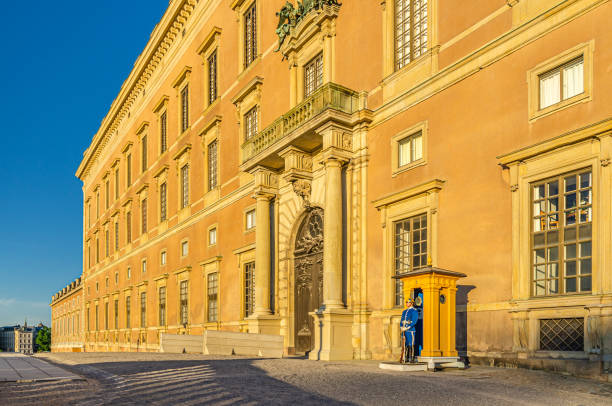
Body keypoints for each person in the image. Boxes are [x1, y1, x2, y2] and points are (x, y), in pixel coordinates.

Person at [400, 297, 419, 363]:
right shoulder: (404, 311)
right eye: (406, 302)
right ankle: (406, 357)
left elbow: (414, 321)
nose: (407, 303)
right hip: (404, 330)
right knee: (405, 344)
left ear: (411, 303)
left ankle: (412, 357)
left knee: (411, 344)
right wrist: (401, 327)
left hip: (410, 330)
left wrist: (408, 327)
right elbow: (401, 320)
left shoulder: (414, 311)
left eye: (408, 302)